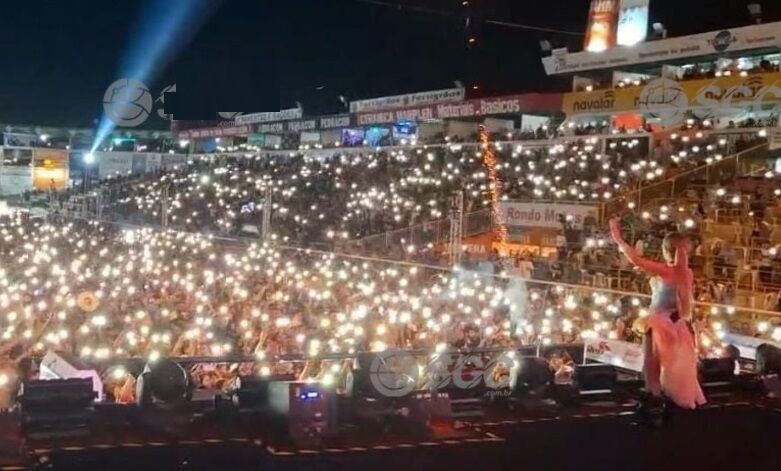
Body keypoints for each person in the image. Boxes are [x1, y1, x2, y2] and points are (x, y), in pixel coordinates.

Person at [610, 218, 706, 410]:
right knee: (674, 365)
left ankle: (653, 397)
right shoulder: (687, 273)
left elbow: (636, 260)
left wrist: (619, 239)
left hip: (658, 323)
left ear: (665, 250)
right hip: (677, 324)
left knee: (651, 364)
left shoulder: (666, 271)